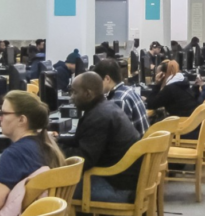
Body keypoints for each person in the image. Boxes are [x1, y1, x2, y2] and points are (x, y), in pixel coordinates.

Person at [0, 90, 65, 216]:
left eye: (4, 113)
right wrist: (3, 167)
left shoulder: (15, 155)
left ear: (22, 119)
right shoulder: (43, 144)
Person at [56, 72, 141, 202]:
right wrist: (57, 140)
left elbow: (84, 160)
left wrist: (53, 150)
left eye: (74, 92)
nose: (71, 98)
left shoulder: (97, 117)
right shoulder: (107, 107)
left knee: (52, 189)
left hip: (118, 188)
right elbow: (84, 140)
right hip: (124, 180)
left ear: (88, 94)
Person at [96, 58, 149, 136]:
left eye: (98, 81)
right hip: (144, 141)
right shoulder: (130, 90)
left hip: (136, 143)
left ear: (107, 79)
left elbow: (121, 136)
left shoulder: (118, 100)